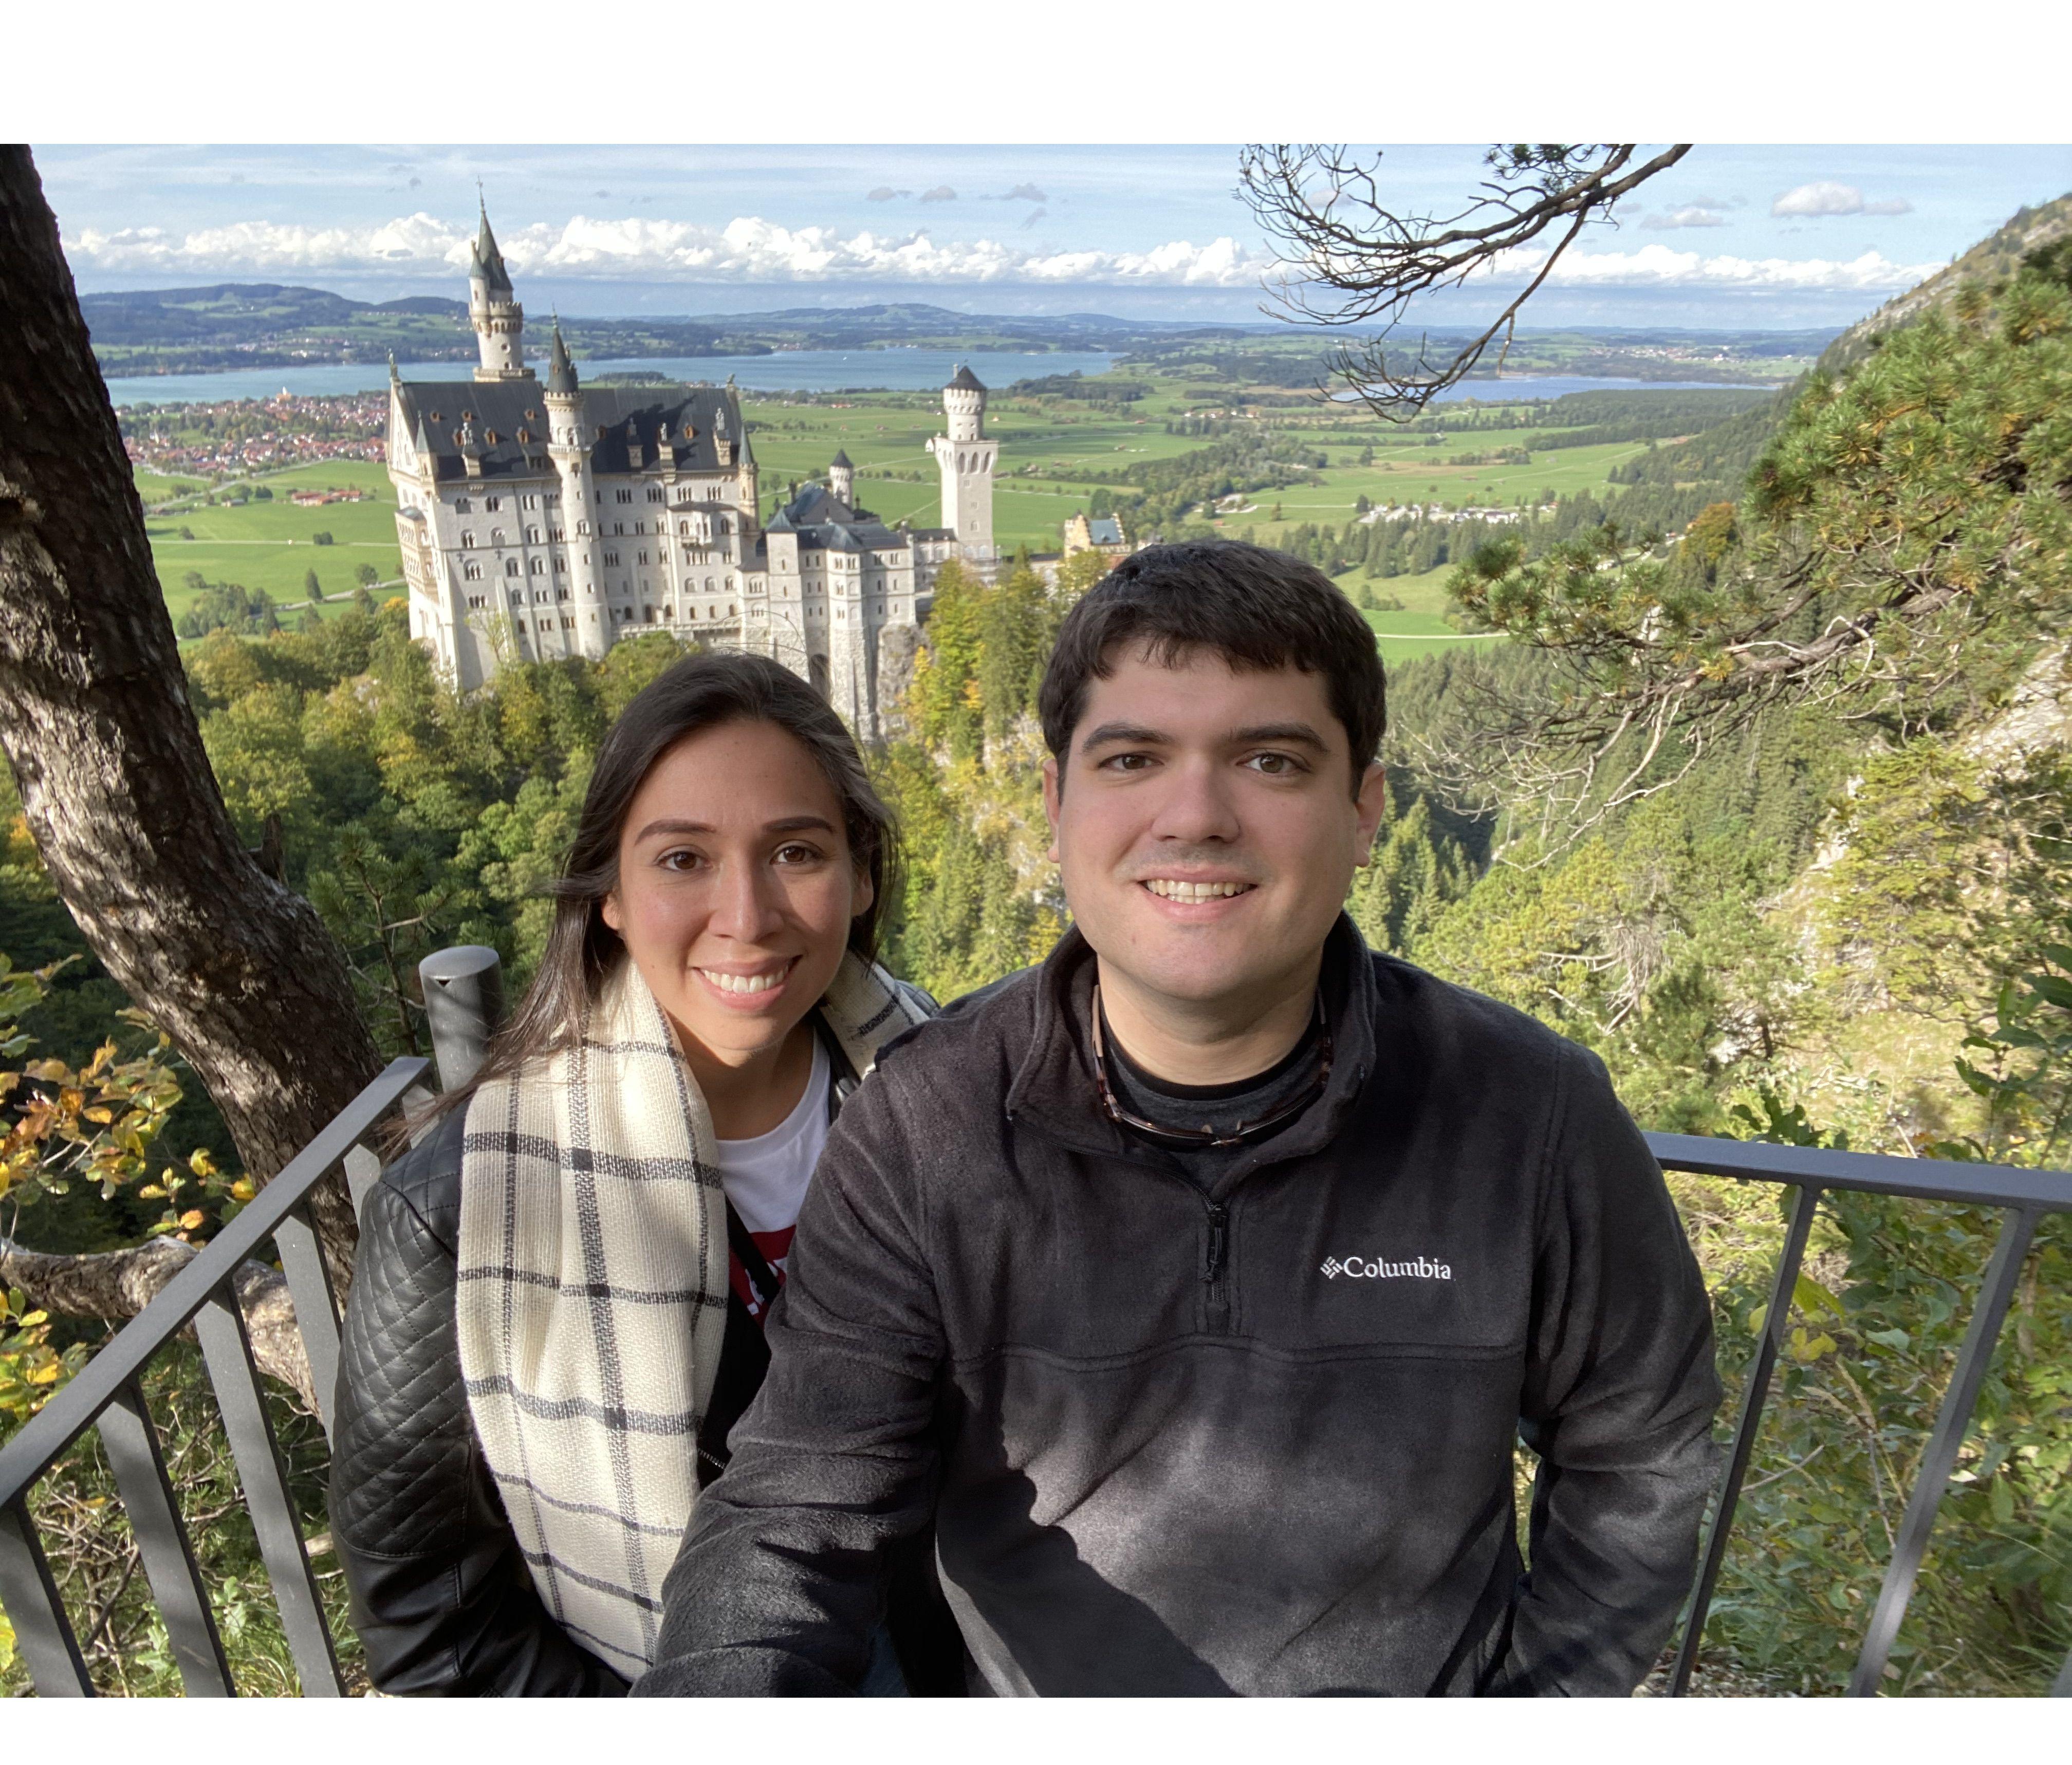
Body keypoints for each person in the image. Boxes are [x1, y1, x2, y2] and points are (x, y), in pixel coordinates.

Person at [635, 543, 1723, 1698]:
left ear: (1364, 811)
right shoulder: (925, 1127)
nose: (1195, 816)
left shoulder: (1528, 1112)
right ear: (1056, 804)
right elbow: (797, 1510)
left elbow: (1639, 1450)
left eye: (1270, 759)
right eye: (1134, 757)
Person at [328, 652, 959, 1695]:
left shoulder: (954, 1103)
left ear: (864, 874)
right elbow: (437, 1633)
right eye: (682, 860)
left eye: (796, 851)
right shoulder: (465, 1209)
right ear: (610, 895)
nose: (746, 916)